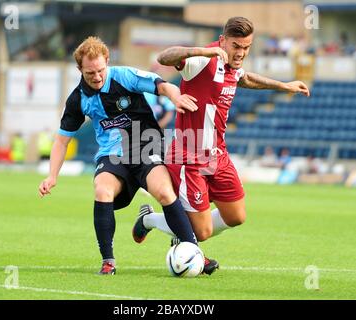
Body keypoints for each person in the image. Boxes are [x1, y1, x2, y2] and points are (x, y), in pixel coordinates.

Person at [132, 17, 310, 273]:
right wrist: (203, 50)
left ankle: (180, 227)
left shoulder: (232, 65)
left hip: (218, 155)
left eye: (246, 47)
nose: (241, 53)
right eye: (236, 46)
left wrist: (283, 85)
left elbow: (244, 78)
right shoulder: (202, 61)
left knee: (236, 216)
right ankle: (149, 220)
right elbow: (164, 57)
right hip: (189, 155)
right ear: (223, 40)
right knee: (202, 232)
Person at [38, 36, 207, 276]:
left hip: (145, 145)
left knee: (164, 192)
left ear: (107, 60)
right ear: (80, 70)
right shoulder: (78, 99)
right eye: (89, 73)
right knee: (102, 190)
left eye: (99, 70)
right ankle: (108, 261)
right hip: (112, 154)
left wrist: (175, 96)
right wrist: (52, 176)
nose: (96, 77)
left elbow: (162, 85)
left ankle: (195, 253)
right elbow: (62, 140)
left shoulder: (124, 76)